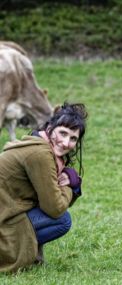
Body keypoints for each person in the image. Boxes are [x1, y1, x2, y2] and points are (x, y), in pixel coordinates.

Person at [0, 102, 88, 272]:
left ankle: (26, 250)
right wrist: (70, 185)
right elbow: (54, 208)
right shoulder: (40, 154)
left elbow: (49, 199)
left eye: (73, 138)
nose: (65, 142)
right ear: (50, 127)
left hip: (5, 213)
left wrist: (69, 180)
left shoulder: (38, 145)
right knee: (62, 220)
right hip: (4, 220)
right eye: (62, 133)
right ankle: (13, 251)